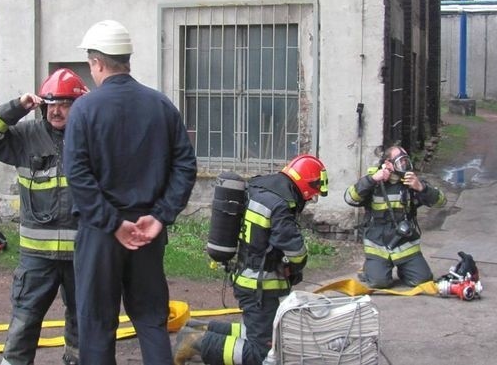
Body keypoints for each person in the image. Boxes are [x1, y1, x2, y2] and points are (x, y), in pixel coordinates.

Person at [65, 20, 197, 365]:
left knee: (96, 324)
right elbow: (185, 167)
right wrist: (159, 217)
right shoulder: (162, 106)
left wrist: (112, 223)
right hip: (148, 233)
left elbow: (78, 175)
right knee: (152, 320)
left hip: (101, 235)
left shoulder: (84, 109)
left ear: (97, 63)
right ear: (127, 59)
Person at [0, 68, 89, 365]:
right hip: (37, 257)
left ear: (78, 106)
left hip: (82, 253)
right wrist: (16, 107)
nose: (56, 110)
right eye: (50, 103)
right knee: (25, 319)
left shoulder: (91, 135)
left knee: (83, 320)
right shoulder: (26, 136)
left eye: (64, 103)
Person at [172, 155, 329, 365]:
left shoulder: (259, 188)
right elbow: (296, 252)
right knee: (260, 353)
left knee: (255, 330)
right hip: (260, 285)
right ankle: (195, 341)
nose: (310, 200)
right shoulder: (280, 205)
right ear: (307, 185)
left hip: (247, 275)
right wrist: (296, 267)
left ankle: (201, 328)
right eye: (313, 194)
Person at [344, 145, 446, 289]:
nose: (404, 165)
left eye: (405, 161)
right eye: (399, 161)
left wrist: (421, 188)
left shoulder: (411, 182)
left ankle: (405, 270)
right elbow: (349, 198)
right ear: (387, 164)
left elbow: (441, 202)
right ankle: (369, 269)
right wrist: (372, 180)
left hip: (404, 243)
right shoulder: (373, 181)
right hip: (378, 243)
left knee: (423, 280)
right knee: (379, 283)